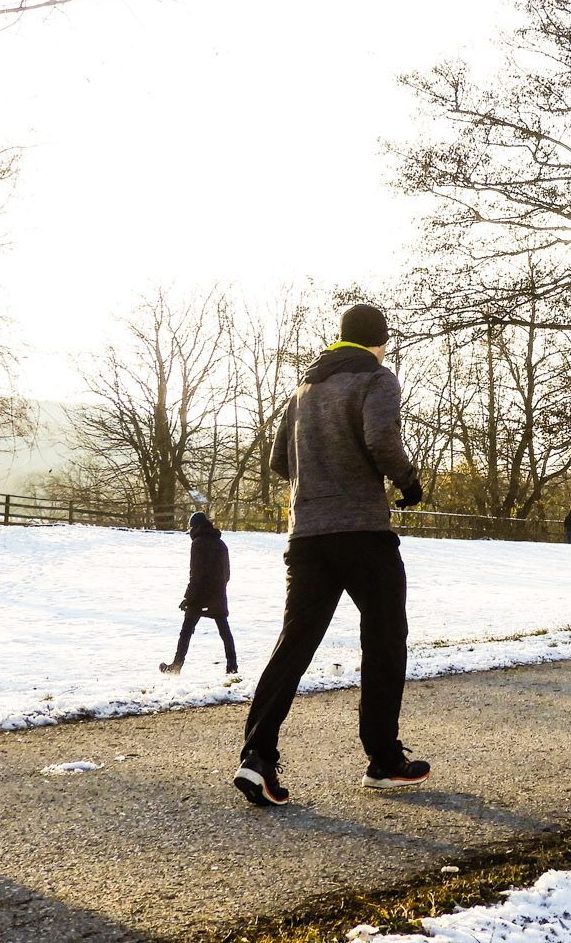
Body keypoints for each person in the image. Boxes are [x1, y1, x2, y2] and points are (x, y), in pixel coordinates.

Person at [235, 304, 430, 808]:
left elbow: (280, 460)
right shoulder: (377, 378)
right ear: (378, 340)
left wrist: (318, 473)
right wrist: (408, 484)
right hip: (363, 531)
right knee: (385, 638)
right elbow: (381, 438)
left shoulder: (304, 388)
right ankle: (383, 760)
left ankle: (257, 756)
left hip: (306, 537)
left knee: (295, 644)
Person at [162, 511, 237, 676]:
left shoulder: (198, 544)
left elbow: (196, 575)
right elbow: (227, 574)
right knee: (224, 630)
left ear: (195, 528)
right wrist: (218, 589)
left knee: (186, 630)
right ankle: (232, 667)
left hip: (200, 595)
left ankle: (176, 666)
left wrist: (187, 598)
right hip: (218, 594)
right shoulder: (221, 544)